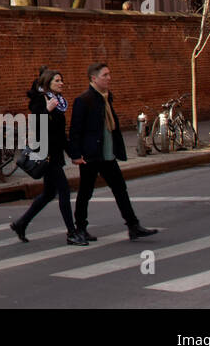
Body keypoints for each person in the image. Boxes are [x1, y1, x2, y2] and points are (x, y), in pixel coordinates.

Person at [68, 62, 158, 242]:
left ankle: (133, 226)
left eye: (109, 74)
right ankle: (80, 228)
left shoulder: (106, 98)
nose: (109, 78)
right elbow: (75, 130)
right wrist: (76, 155)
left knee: (120, 189)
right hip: (91, 156)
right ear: (93, 78)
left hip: (107, 155)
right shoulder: (84, 100)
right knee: (86, 192)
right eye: (105, 75)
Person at [9, 69, 85, 245]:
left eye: (61, 80)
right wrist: (46, 110)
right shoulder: (40, 101)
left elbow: (60, 134)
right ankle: (71, 233)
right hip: (46, 155)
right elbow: (36, 126)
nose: (61, 83)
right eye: (57, 80)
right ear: (47, 84)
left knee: (49, 193)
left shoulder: (58, 103)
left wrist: (74, 155)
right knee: (64, 191)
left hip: (55, 154)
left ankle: (21, 223)